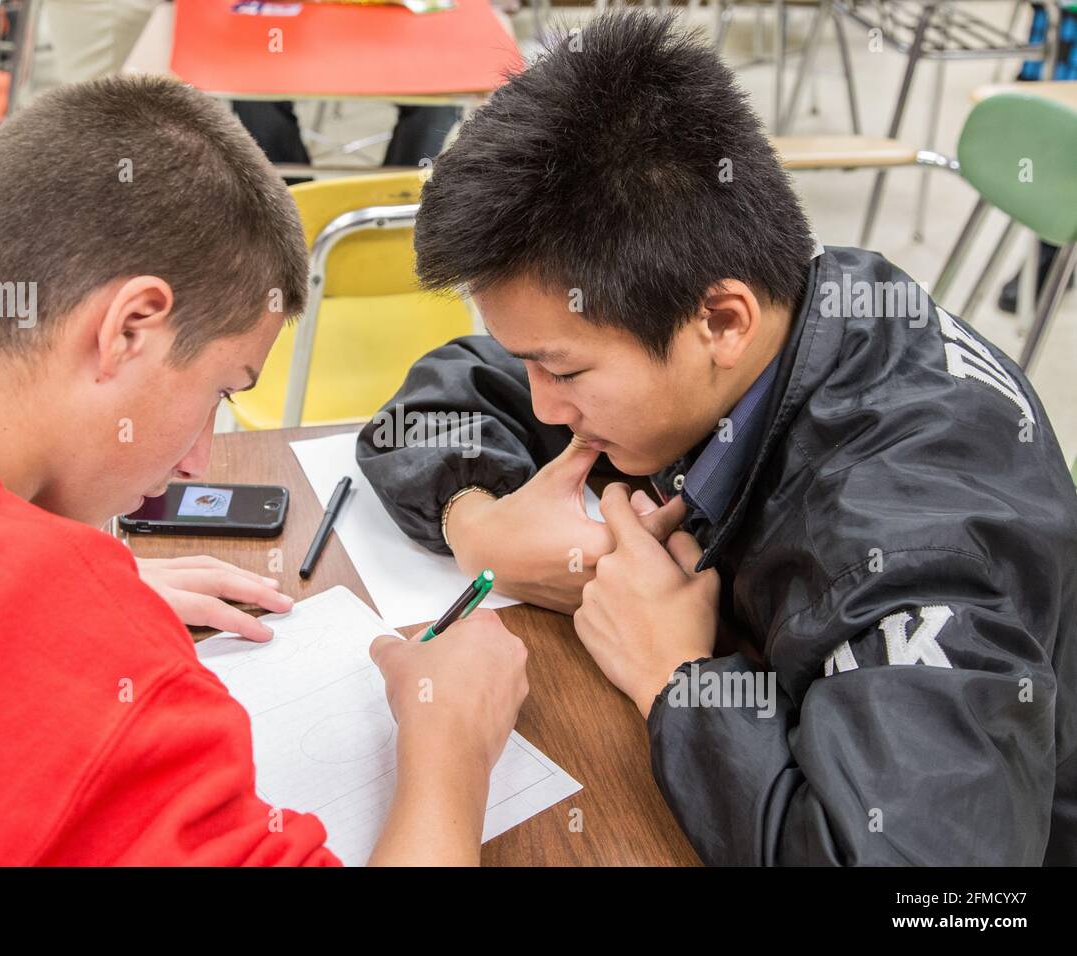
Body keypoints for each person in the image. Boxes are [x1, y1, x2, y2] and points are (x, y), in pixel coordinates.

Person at [355, 11, 1077, 865]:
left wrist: (675, 678)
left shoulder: (914, 530)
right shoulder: (753, 311)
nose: (545, 406)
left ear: (720, 321)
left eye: (566, 373)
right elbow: (433, 402)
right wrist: (477, 525)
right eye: (533, 364)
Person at [0, 75, 528, 865]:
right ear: (129, 329)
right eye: (221, 392)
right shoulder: (94, 659)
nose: (197, 459)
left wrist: (47, 602)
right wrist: (452, 748)